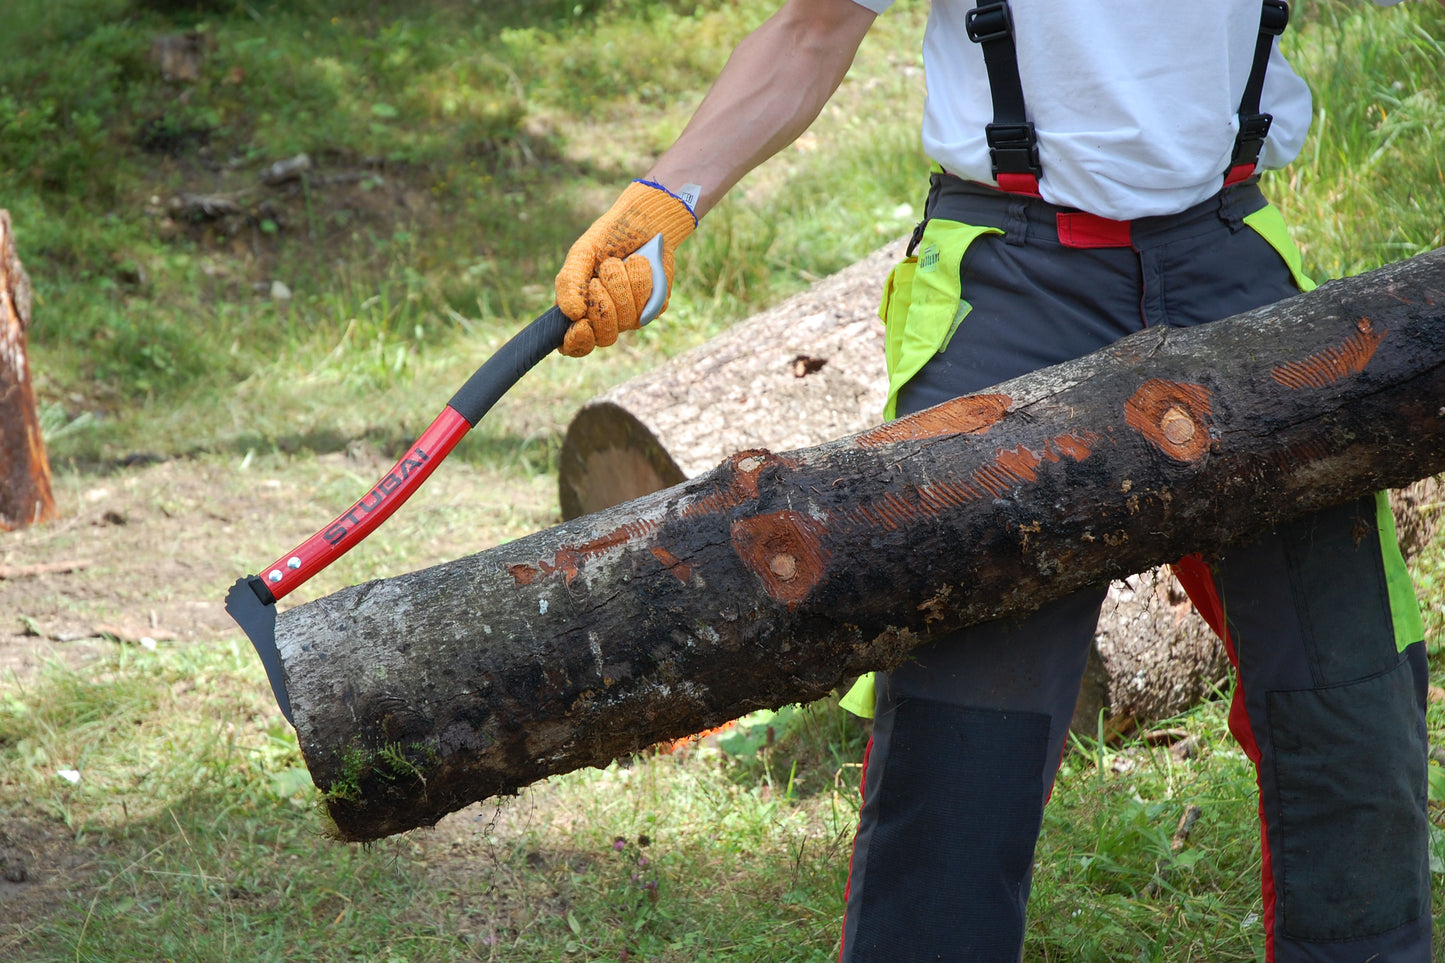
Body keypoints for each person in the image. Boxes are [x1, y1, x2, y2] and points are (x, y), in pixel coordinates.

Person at [552, 2, 1437, 960]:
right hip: (1013, 284)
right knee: (961, 761)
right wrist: (663, 203)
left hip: (1236, 266)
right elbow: (813, 28)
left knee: (1350, 709)